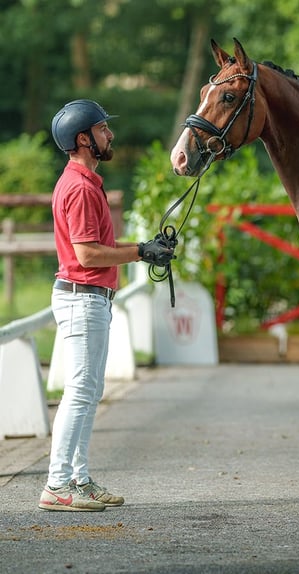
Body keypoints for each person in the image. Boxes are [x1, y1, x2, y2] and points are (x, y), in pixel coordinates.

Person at [38, 99, 175, 512]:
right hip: (83, 299)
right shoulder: (79, 188)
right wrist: (139, 253)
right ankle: (57, 484)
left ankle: (78, 478)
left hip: (90, 299)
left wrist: (144, 249)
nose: (110, 135)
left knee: (88, 392)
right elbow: (87, 255)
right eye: (102, 130)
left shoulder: (86, 182)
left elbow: (99, 246)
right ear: (83, 139)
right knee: (80, 393)